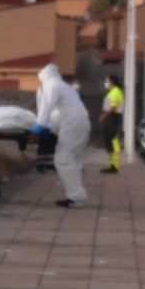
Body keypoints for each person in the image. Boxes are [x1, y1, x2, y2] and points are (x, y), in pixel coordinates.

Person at [33, 63, 89, 207]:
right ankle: (77, 196)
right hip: (81, 123)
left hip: (72, 125)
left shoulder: (51, 85)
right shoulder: (65, 86)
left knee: (62, 159)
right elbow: (60, 112)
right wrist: (50, 127)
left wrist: (40, 124)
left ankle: (76, 196)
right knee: (73, 160)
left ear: (43, 76)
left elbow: (46, 106)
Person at [99, 74, 124, 173]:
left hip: (113, 118)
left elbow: (113, 107)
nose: (106, 83)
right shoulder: (112, 92)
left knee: (113, 142)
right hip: (110, 118)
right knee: (109, 142)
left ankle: (114, 165)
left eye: (107, 81)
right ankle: (111, 164)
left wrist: (104, 116)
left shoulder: (116, 92)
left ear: (112, 82)